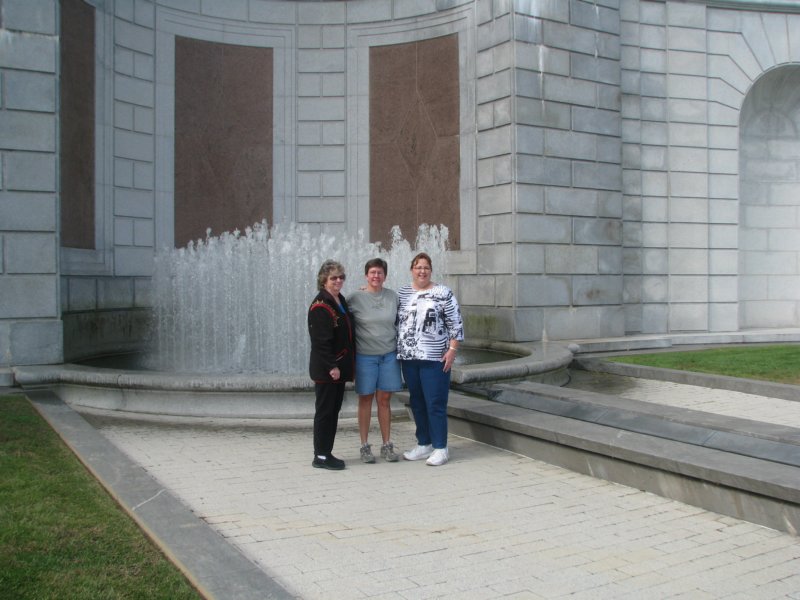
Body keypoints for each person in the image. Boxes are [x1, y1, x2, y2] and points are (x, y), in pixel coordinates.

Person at [396, 252, 464, 466]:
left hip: (435, 358)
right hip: (408, 358)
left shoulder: (443, 292)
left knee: (435, 402)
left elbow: (456, 324)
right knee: (417, 402)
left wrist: (452, 350)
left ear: (430, 270)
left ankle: (441, 447)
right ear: (411, 270)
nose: (422, 271)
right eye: (418, 267)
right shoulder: (403, 293)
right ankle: (424, 443)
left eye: (425, 267)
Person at [348, 258, 402, 463]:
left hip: (388, 355)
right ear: (366, 275)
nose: (376, 276)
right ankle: (364, 446)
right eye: (372, 273)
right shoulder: (355, 297)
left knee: (384, 400)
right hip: (365, 357)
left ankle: (387, 445)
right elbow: (340, 314)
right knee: (365, 399)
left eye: (379, 273)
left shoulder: (393, 297)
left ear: (385, 276)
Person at [308, 260, 355, 470]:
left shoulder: (338, 299)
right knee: (325, 412)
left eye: (341, 277)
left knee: (333, 411)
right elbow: (320, 342)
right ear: (324, 280)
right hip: (328, 371)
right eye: (333, 278)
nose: (338, 281)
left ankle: (326, 451)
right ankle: (321, 455)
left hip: (337, 369)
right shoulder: (321, 305)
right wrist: (332, 367)